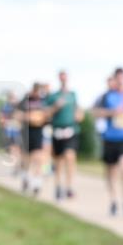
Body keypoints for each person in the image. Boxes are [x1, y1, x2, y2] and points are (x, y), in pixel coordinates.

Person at [93, 68, 123, 216]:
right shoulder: (106, 96)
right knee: (111, 172)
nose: (120, 80)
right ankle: (114, 200)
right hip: (110, 137)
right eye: (118, 78)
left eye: (122, 77)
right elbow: (95, 112)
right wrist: (112, 113)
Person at [44, 70, 82, 200]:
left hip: (71, 130)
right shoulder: (53, 96)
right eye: (61, 78)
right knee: (59, 161)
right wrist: (56, 106)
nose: (63, 80)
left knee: (70, 156)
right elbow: (46, 113)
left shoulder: (73, 95)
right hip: (57, 130)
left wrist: (78, 115)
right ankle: (58, 187)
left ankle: (69, 187)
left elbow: (78, 110)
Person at [18, 83, 48, 196]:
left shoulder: (44, 101)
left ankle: (36, 184)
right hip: (26, 133)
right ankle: (25, 179)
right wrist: (29, 117)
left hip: (38, 133)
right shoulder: (25, 100)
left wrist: (41, 118)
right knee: (26, 160)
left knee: (38, 159)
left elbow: (47, 115)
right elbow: (17, 114)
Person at [0, 91, 22, 173]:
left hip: (17, 130)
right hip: (10, 129)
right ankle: (16, 165)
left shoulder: (18, 106)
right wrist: (3, 124)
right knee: (12, 147)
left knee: (17, 148)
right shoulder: (5, 106)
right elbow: (1, 117)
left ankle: (18, 165)